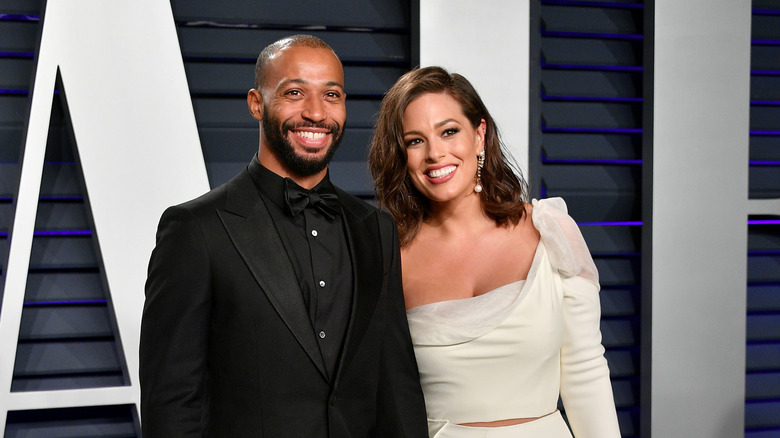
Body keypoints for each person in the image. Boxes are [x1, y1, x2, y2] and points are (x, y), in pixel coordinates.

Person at [139, 35, 428, 437]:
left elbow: (396, 386)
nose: (316, 112)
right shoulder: (195, 230)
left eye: (332, 95)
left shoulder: (375, 229)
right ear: (257, 103)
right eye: (295, 92)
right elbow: (171, 402)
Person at [368, 66, 621, 438]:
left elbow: (586, 372)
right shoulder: (390, 257)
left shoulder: (549, 232)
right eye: (415, 141)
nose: (435, 153)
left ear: (479, 134)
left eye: (449, 131)